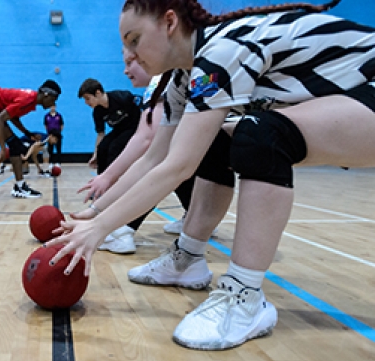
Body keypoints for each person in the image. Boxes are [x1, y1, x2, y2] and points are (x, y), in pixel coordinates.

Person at [46, 0, 375, 351]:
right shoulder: (181, 82)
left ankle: (244, 297)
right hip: (350, 104)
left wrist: (100, 230)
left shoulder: (222, 51)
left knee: (259, 135)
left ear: (169, 22)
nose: (129, 54)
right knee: (218, 140)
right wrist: (94, 213)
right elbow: (155, 159)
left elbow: (178, 167)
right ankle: (187, 260)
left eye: (134, 39)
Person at [76, 49, 196, 254]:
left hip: (238, 130)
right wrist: (98, 204)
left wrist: (106, 182)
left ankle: (125, 230)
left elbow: (145, 138)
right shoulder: (167, 82)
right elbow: (149, 141)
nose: (124, 71)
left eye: (131, 62)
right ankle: (194, 219)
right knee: (176, 166)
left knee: (166, 167)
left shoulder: (139, 91)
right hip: (205, 138)